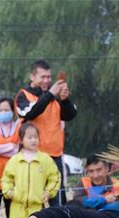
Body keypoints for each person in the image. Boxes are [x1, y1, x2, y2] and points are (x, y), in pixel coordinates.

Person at [15, 60, 77, 206]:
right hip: (33, 155)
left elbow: (70, 115)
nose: (46, 80)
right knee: (34, 198)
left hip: (55, 154)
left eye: (49, 77)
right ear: (32, 77)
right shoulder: (24, 95)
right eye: (42, 77)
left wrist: (65, 100)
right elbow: (29, 113)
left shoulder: (55, 96)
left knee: (58, 200)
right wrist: (49, 94)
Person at [1, 122, 60, 218]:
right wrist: (10, 192)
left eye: (36, 137)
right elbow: (6, 179)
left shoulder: (45, 160)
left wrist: (48, 192)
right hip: (17, 206)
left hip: (36, 207)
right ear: (21, 140)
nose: (34, 140)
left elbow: (55, 177)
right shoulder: (14, 160)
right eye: (30, 137)